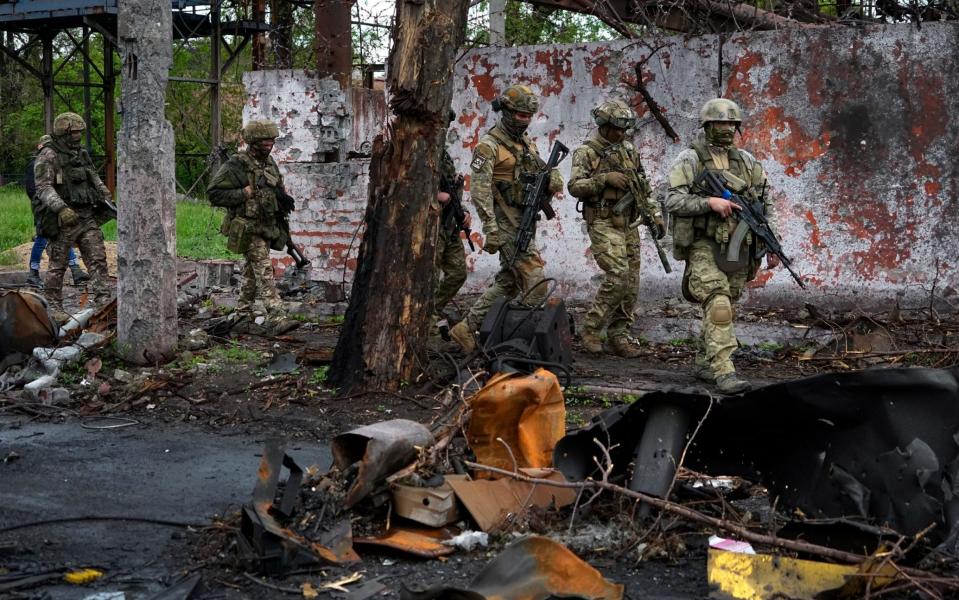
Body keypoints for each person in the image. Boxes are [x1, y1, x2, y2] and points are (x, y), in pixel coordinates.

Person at [664, 98, 781, 394]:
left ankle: (705, 362)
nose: (726, 128)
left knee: (729, 298)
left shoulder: (748, 162)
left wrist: (772, 243)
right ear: (707, 126)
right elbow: (671, 199)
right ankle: (725, 371)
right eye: (719, 123)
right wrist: (709, 202)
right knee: (718, 301)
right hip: (705, 244)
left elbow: (767, 204)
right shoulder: (690, 159)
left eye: (731, 123)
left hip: (739, 244)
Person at [449, 84, 564, 352]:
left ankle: (466, 329)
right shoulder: (488, 146)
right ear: (507, 112)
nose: (525, 120)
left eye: (528, 116)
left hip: (525, 218)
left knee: (509, 282)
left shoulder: (524, 142)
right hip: (506, 224)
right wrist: (492, 229)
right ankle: (519, 335)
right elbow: (478, 191)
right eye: (520, 115)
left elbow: (542, 172)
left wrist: (553, 178)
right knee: (536, 284)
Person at [567, 99, 664, 357]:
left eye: (624, 129)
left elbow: (643, 185)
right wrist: (603, 179)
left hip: (628, 223)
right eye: (616, 129)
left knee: (631, 282)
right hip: (602, 221)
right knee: (618, 275)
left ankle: (619, 335)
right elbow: (574, 186)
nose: (620, 134)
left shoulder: (629, 150)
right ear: (604, 126)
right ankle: (590, 328)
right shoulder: (587, 152)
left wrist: (655, 214)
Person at [33, 113, 113, 320]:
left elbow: (92, 175)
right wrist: (61, 208)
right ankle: (53, 306)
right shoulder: (48, 155)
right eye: (74, 132)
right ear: (64, 132)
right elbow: (43, 188)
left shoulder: (81, 153)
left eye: (80, 132)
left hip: (86, 216)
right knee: (57, 265)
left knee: (97, 258)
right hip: (62, 220)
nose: (78, 136)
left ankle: (104, 301)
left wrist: (105, 194)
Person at [207, 120, 288, 317]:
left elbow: (278, 191)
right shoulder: (236, 165)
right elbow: (214, 194)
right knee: (263, 268)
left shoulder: (269, 163)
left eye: (271, 141)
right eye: (265, 142)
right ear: (253, 142)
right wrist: (244, 193)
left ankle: (243, 311)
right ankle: (277, 313)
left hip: (266, 224)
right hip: (247, 226)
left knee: (251, 272)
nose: (269, 145)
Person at [25, 135, 89, 289]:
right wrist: (47, 204)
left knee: (64, 235)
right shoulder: (35, 163)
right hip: (44, 208)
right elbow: (33, 189)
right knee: (42, 238)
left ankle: (75, 270)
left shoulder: (56, 163)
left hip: (56, 205)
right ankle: (33, 274)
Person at [432, 111, 471, 339]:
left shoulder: (442, 154)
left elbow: (453, 192)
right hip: (429, 228)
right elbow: (405, 185)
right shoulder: (417, 151)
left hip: (449, 226)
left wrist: (463, 212)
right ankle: (426, 322)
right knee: (428, 277)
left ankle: (432, 309)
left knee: (457, 273)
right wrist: (436, 195)